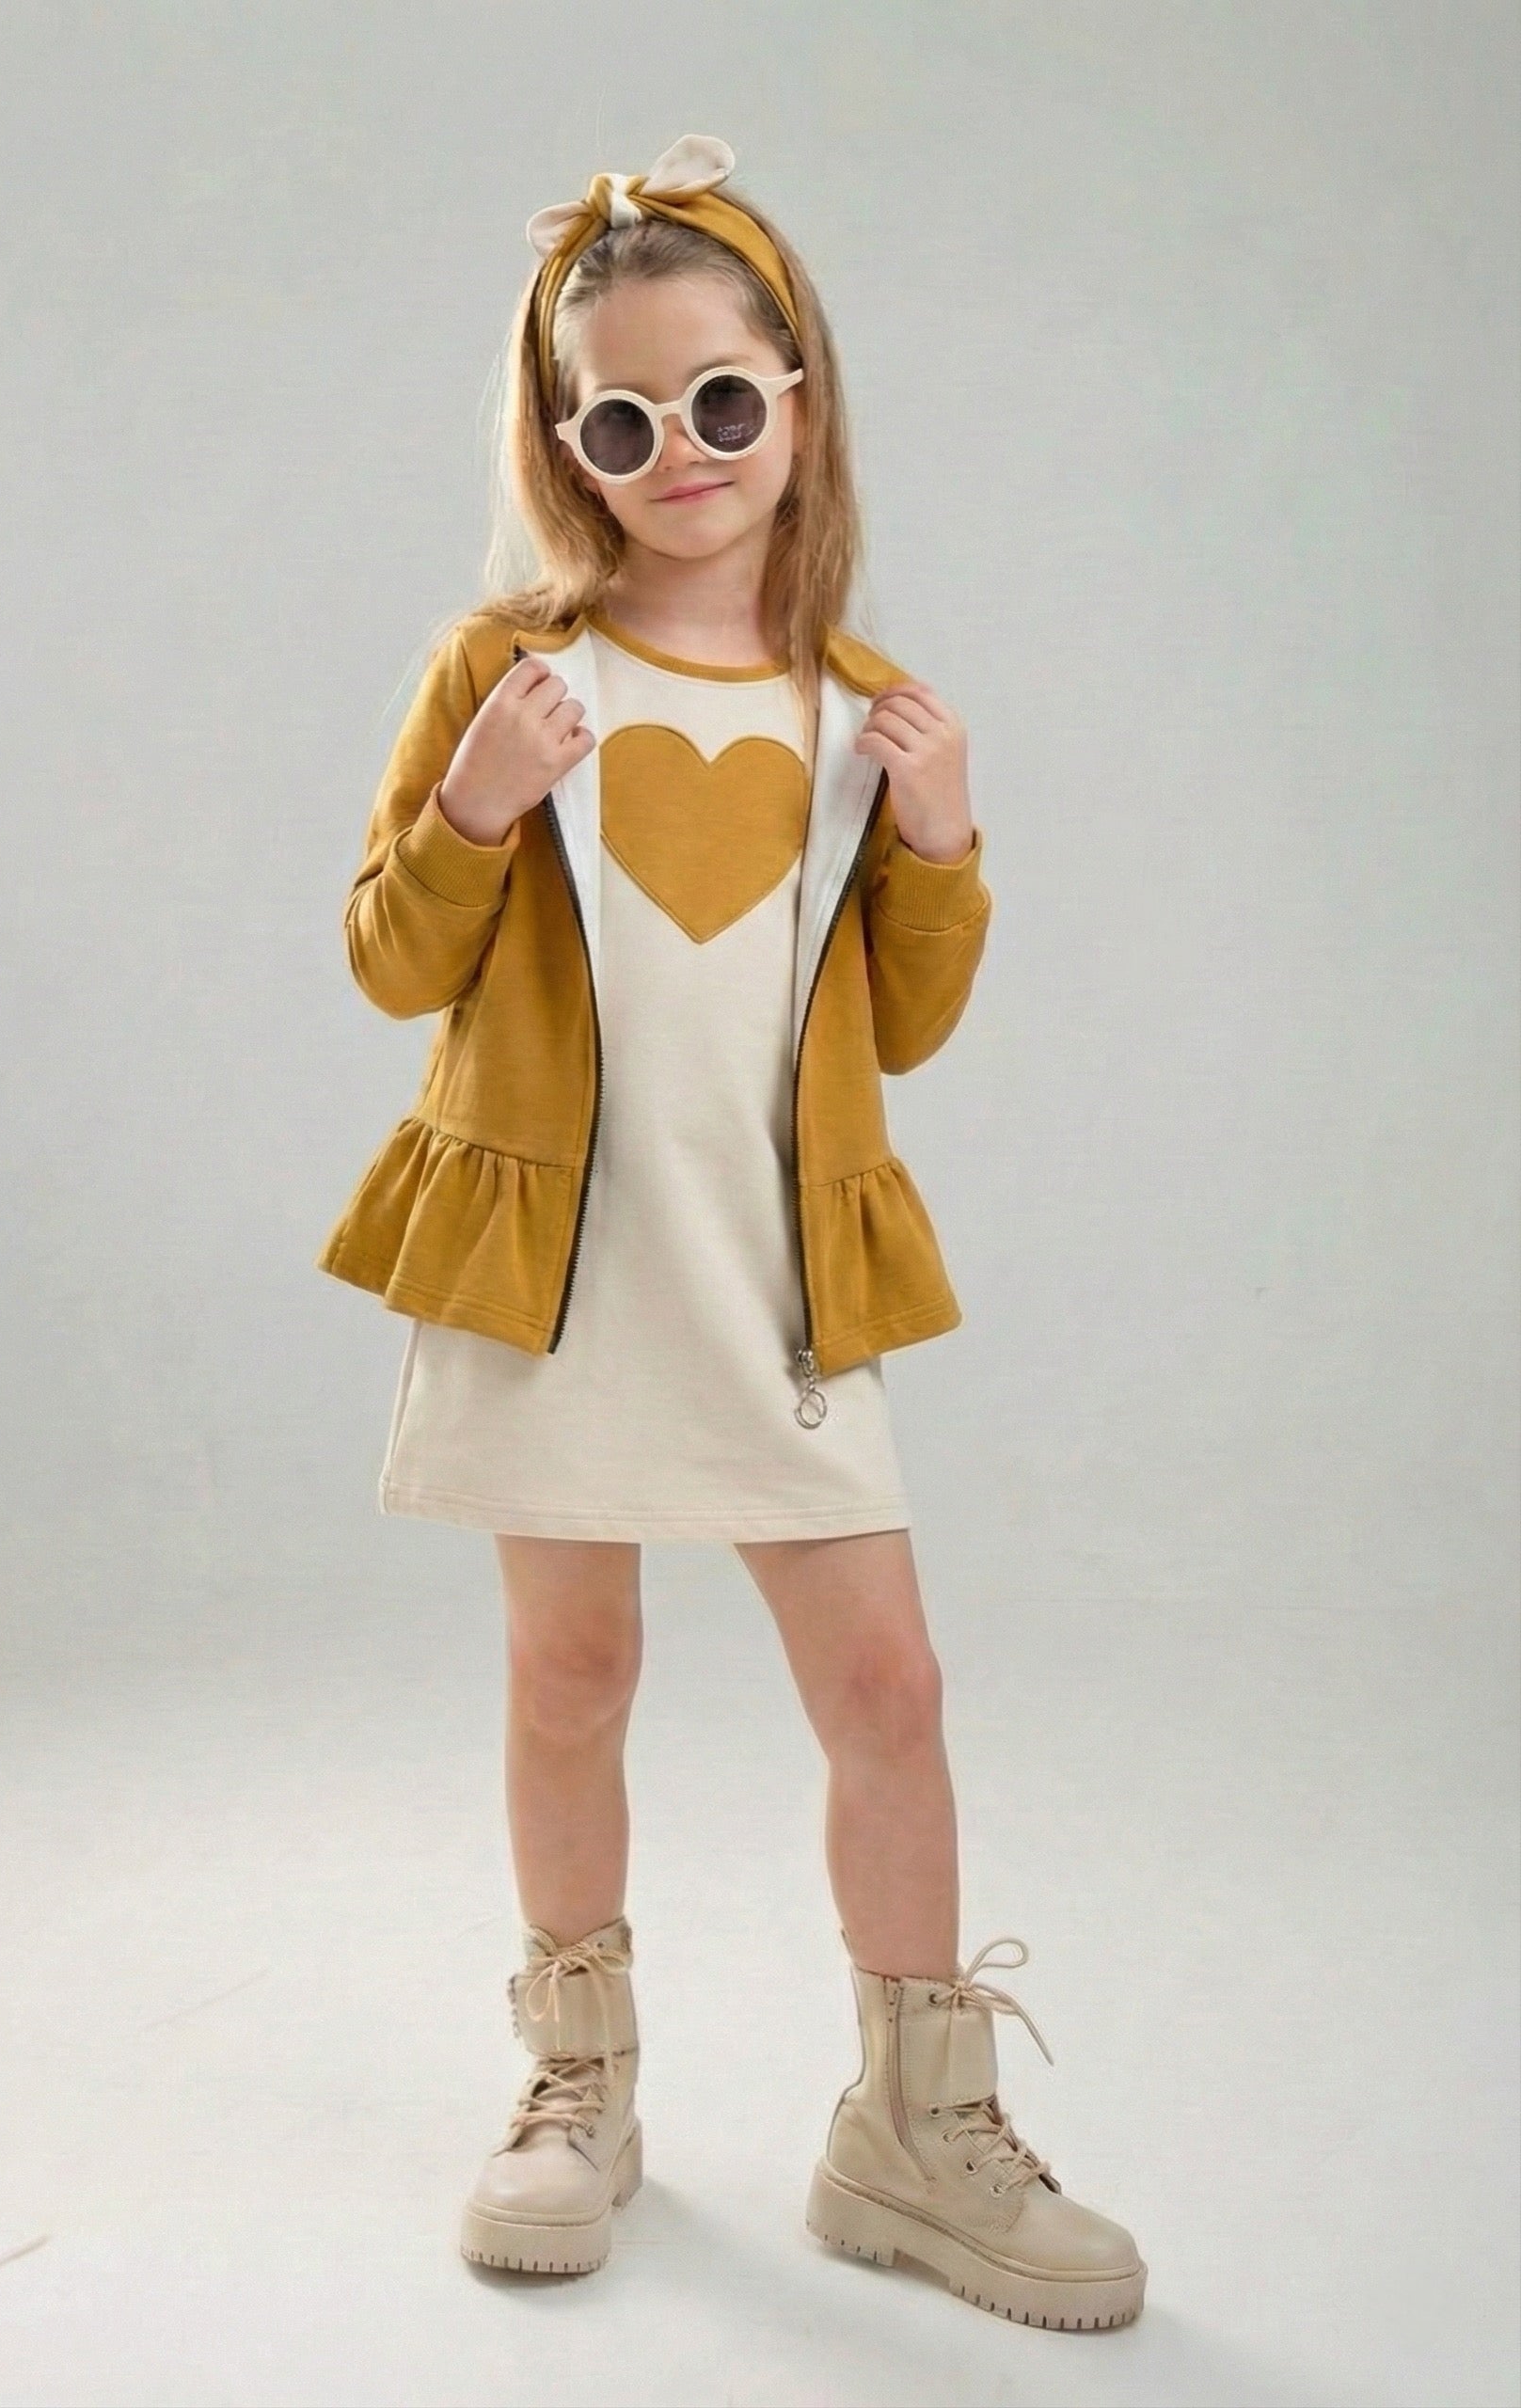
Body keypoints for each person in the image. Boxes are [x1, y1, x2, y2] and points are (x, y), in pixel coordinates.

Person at [316, 133, 1146, 2330]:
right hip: (552, 1266)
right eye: (617, 420)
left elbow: (905, 1026)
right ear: (562, 444)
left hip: (774, 1279)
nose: (673, 452)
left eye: (713, 400)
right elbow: (391, 962)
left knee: (887, 1682)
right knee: (569, 1669)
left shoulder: (858, 706)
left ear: (796, 398)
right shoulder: (508, 668)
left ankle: (914, 2127)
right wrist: (480, 800)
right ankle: (577, 2087)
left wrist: (943, 839)